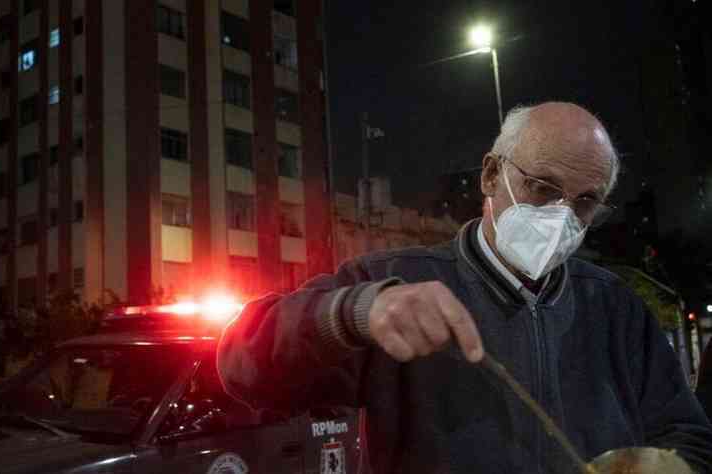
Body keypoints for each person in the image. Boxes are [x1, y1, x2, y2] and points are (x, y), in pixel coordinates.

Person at [217, 102, 712, 473]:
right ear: (492, 175)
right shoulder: (394, 282)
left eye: (584, 202)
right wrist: (355, 313)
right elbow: (244, 363)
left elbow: (688, 434)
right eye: (542, 187)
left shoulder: (616, 308)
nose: (561, 216)